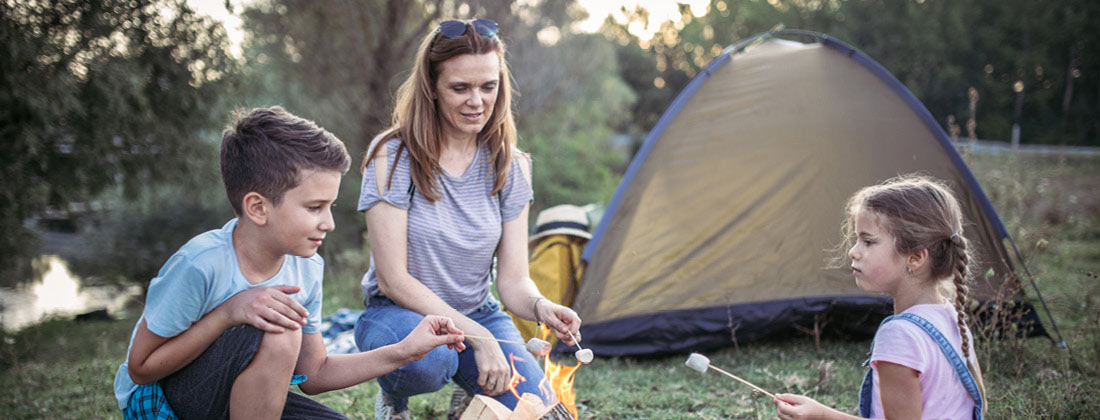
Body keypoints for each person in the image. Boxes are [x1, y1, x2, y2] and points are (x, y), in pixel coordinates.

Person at [113, 106, 466, 420]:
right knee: (282, 329)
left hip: (243, 399)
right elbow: (142, 369)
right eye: (314, 208)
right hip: (163, 403)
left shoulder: (307, 267)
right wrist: (227, 314)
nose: (328, 223)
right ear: (257, 208)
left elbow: (314, 374)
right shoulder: (201, 264)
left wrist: (405, 351)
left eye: (331, 207)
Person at [354, 18, 582, 420]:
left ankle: (473, 393)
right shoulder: (392, 156)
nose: (476, 100)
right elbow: (393, 278)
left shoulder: (511, 166)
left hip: (480, 313)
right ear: (432, 88)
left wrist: (540, 305)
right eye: (460, 88)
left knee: (544, 414)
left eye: (488, 87)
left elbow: (512, 280)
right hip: (397, 313)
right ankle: (393, 401)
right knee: (431, 362)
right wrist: (477, 339)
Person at [775, 175, 987, 420]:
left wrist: (821, 415)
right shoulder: (952, 318)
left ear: (915, 258)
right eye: (857, 240)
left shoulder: (899, 336)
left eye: (868, 241)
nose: (854, 252)